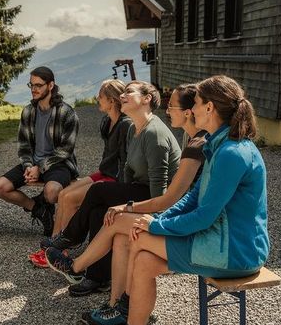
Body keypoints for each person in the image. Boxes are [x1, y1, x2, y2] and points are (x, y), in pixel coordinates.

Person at [84, 75, 270, 325]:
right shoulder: (218, 145)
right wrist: (156, 219)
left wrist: (153, 227)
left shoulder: (232, 154)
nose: (191, 110)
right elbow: (191, 199)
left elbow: (204, 216)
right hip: (221, 242)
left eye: (195, 104)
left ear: (209, 108)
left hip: (236, 253)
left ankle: (119, 309)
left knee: (140, 240)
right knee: (144, 259)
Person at [46, 84, 207, 303]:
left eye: (128, 92)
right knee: (100, 212)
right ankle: (96, 276)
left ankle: (70, 241)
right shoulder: (134, 128)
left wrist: (128, 206)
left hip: (154, 196)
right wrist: (118, 199)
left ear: (147, 99)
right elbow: (128, 171)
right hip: (140, 190)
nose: (122, 95)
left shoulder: (155, 134)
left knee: (98, 190)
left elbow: (161, 191)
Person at [28, 79, 131, 268]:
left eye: (100, 97)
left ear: (112, 101)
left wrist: (119, 189)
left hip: (113, 177)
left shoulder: (125, 125)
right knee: (64, 195)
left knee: (72, 198)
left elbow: (126, 160)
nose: (97, 100)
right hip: (104, 171)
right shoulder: (107, 121)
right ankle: (54, 245)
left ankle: (60, 249)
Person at [0, 66, 79, 236]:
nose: (34, 89)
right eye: (31, 85)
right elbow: (23, 145)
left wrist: (41, 167)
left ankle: (45, 203)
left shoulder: (67, 113)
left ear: (51, 85)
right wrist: (29, 165)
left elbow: (65, 150)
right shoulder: (28, 111)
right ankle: (39, 209)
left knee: (52, 193)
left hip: (59, 164)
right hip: (33, 163)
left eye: (38, 85)